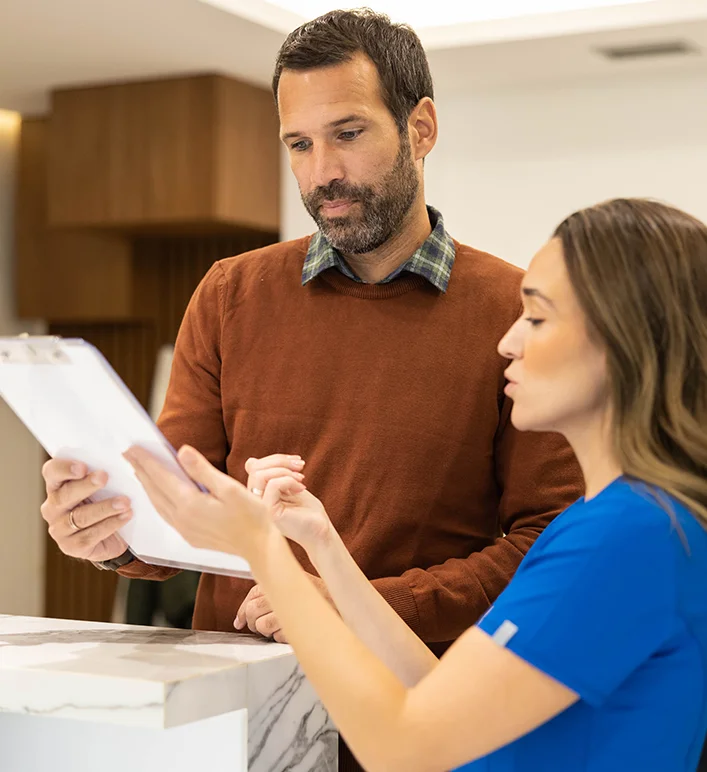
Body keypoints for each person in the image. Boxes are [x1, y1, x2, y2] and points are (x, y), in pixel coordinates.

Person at [39, 10, 581, 770]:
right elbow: (179, 505)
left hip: (413, 716)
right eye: (298, 143)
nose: (321, 169)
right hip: (235, 714)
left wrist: (354, 606)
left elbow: (545, 546)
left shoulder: (515, 311)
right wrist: (110, 536)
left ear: (420, 127)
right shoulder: (229, 293)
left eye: (348, 133)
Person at [126, 197, 707, 771]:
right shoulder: (618, 520)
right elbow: (433, 691)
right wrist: (322, 544)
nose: (509, 342)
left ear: (626, 344)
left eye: (537, 317)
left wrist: (264, 550)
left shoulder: (627, 538)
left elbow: (403, 749)